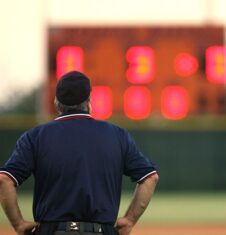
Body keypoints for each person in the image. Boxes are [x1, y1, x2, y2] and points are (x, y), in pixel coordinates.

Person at [0, 71, 159, 235]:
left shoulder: (35, 137)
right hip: (101, 231)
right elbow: (150, 177)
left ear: (56, 102)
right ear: (89, 101)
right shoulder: (118, 136)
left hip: (52, 231)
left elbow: (5, 179)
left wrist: (18, 223)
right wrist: (129, 220)